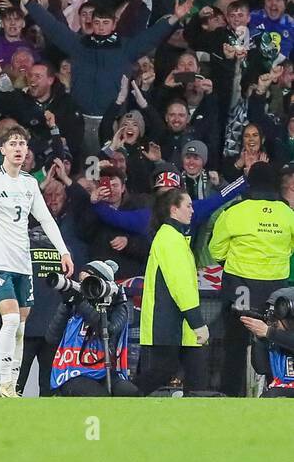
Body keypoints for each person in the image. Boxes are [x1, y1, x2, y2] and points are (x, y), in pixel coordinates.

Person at [0, 125, 74, 396]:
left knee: (20, 325)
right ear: (2, 150)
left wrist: (63, 251)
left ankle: (13, 385)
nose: (19, 148)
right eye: (13, 144)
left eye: (23, 144)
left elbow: (45, 219)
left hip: (23, 264)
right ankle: (6, 382)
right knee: (8, 321)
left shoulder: (29, 183)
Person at [207, 162, 294, 396]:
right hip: (275, 290)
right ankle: (277, 389)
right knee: (276, 342)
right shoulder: (288, 214)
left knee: (234, 346)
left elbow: (215, 250)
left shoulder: (234, 212)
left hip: (240, 287)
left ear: (250, 183)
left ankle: (230, 394)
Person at [137, 190, 211, 395]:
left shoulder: (172, 238)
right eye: (188, 206)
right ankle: (124, 399)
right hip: (169, 325)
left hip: (173, 325)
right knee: (172, 373)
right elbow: (181, 287)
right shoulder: (171, 240)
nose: (192, 210)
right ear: (174, 209)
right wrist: (197, 322)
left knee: (186, 375)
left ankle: (125, 399)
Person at [45, 261, 139, 397]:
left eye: (87, 281)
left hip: (103, 370)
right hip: (73, 372)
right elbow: (51, 338)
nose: (81, 286)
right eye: (80, 280)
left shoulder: (116, 306)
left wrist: (82, 304)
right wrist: (66, 305)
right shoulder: (73, 302)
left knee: (131, 392)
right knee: (99, 397)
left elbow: (108, 331)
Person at [241, 287, 294, 397]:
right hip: (281, 389)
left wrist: (269, 332)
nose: (273, 320)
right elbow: (261, 368)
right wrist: (259, 337)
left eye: (278, 314)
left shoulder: (273, 334)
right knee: (271, 395)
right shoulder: (275, 338)